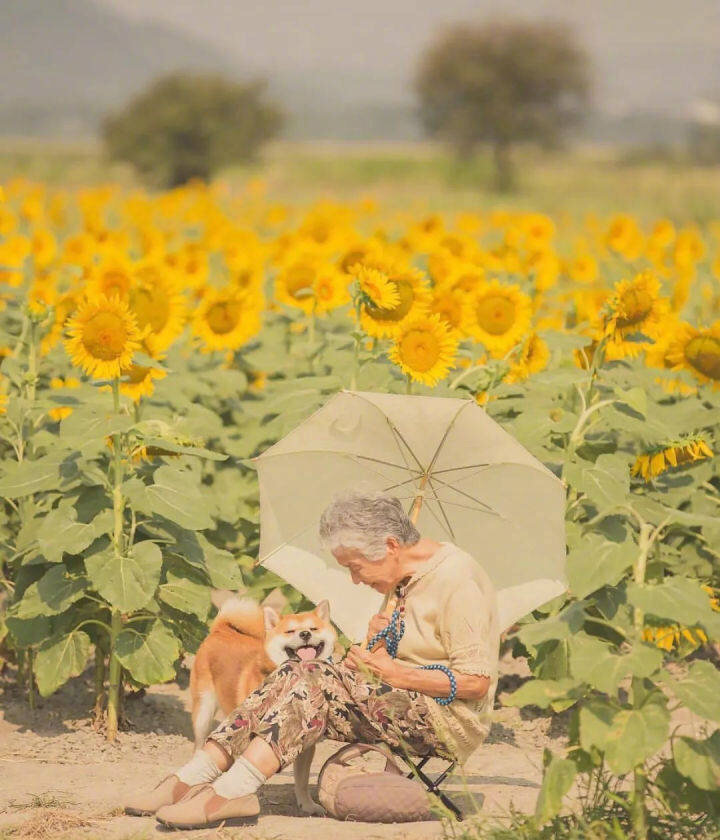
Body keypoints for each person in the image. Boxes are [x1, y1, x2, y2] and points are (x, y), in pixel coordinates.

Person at [124, 490, 500, 830]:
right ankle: (194, 776)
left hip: (447, 722)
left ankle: (234, 789)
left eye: (354, 567)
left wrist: (396, 672)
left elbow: (475, 683)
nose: (354, 580)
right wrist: (374, 652)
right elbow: (413, 657)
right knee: (299, 670)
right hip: (403, 703)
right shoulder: (406, 580)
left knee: (314, 677)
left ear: (389, 546)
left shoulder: (457, 581)